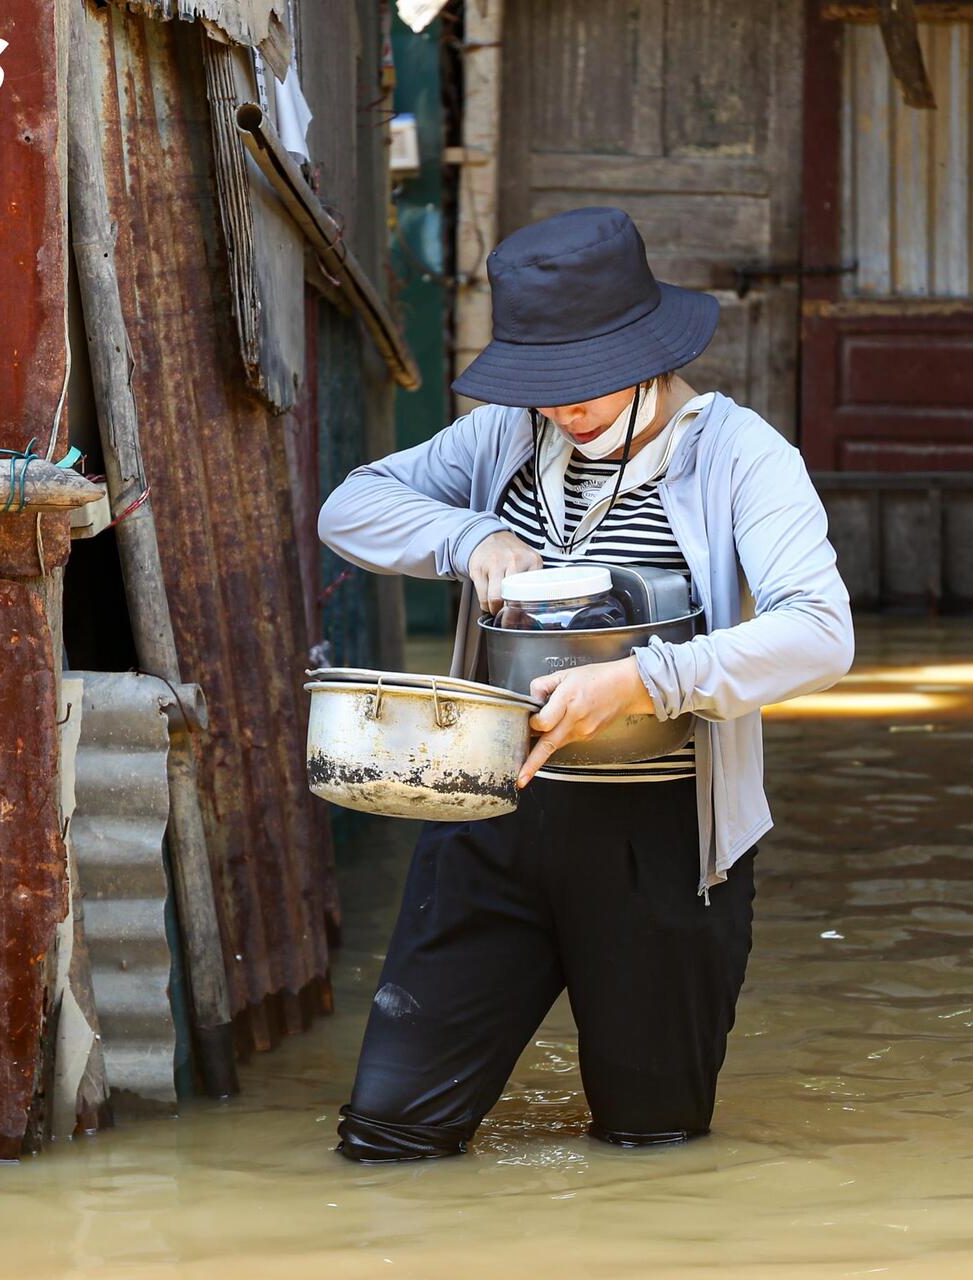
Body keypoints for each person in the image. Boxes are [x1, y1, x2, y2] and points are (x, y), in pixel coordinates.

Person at [317, 206, 853, 1161]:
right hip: (487, 820)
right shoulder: (502, 437)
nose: (564, 410)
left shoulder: (744, 457)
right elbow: (349, 507)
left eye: (585, 383)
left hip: (665, 848)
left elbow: (820, 633)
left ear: (650, 353)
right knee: (388, 1140)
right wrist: (471, 536)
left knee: (651, 1147)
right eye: (544, 386)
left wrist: (644, 681)